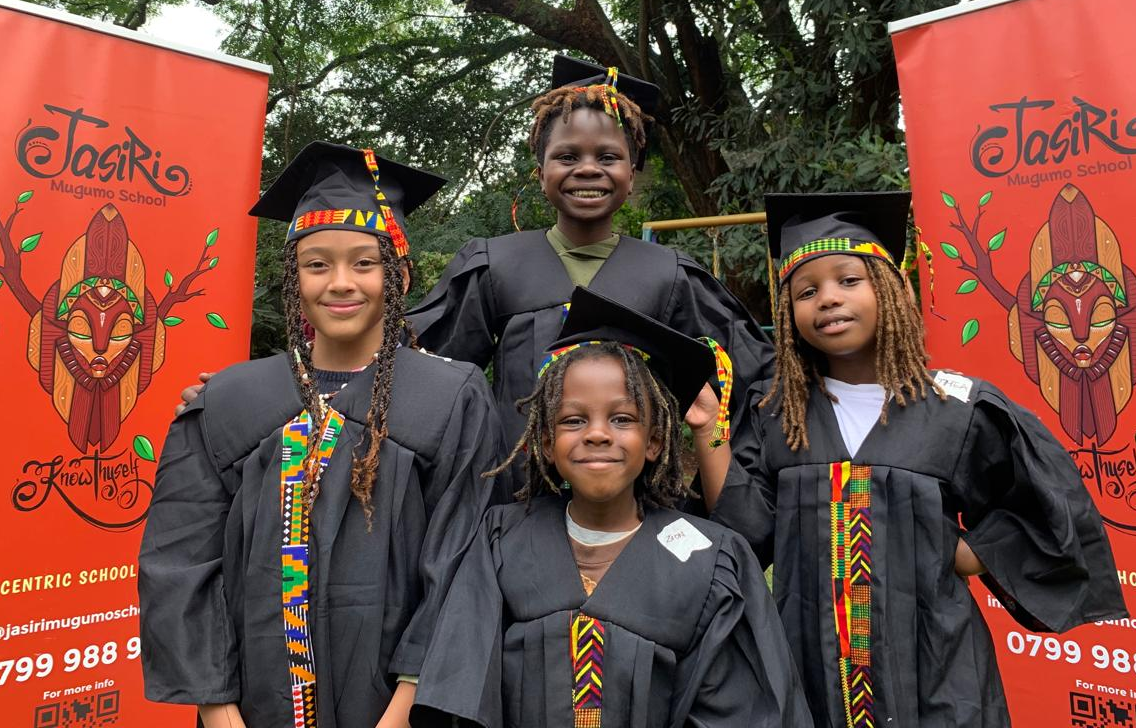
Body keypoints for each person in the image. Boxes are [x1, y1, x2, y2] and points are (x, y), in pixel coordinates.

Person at [696, 191, 1127, 728]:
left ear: (893, 290)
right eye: (807, 291)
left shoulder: (955, 409)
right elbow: (748, 533)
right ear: (788, 314)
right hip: (809, 662)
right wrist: (708, 433)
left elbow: (1048, 505)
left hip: (936, 664)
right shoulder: (780, 415)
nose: (828, 299)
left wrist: (969, 552)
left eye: (849, 280)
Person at [139, 142, 506, 728]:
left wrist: (406, 710)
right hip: (250, 706)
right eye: (317, 264)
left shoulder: (448, 398)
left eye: (365, 262)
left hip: (400, 708)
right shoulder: (232, 402)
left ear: (400, 272)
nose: (341, 283)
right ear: (292, 277)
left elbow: (464, 563)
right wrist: (216, 707)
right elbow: (180, 561)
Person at [410, 286, 811, 728]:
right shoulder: (500, 542)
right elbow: (462, 692)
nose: (597, 434)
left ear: (656, 440)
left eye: (622, 419)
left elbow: (739, 710)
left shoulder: (711, 562)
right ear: (546, 440)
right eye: (573, 420)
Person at [406, 56, 774, 484]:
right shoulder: (494, 265)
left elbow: (751, 380)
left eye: (608, 156)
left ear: (631, 174)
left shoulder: (671, 276)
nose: (587, 168)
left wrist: (719, 477)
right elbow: (428, 369)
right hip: (513, 503)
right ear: (541, 173)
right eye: (566, 155)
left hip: (637, 508)